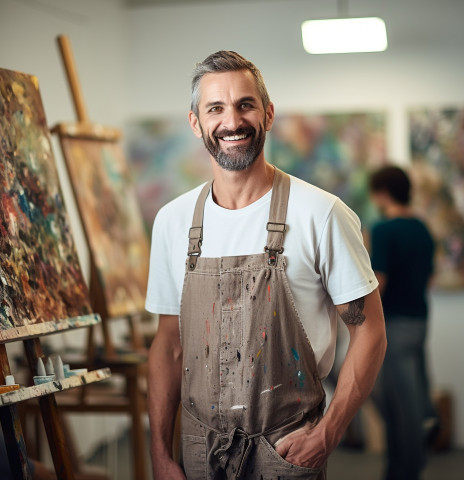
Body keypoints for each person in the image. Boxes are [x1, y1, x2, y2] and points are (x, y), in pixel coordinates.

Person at [146, 50, 386, 480]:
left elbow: (370, 331)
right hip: (200, 454)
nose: (232, 121)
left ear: (268, 114)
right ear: (196, 123)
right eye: (215, 108)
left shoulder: (321, 214)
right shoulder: (173, 222)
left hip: (286, 451)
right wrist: (161, 455)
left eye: (245, 104)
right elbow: (168, 344)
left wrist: (328, 433)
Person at [369, 165, 437, 480]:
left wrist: (356, 318)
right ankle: (399, 467)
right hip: (419, 321)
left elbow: (378, 281)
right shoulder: (422, 229)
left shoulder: (383, 229)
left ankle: (408, 469)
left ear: (382, 192)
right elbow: (430, 277)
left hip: (394, 323)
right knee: (401, 400)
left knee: (401, 405)